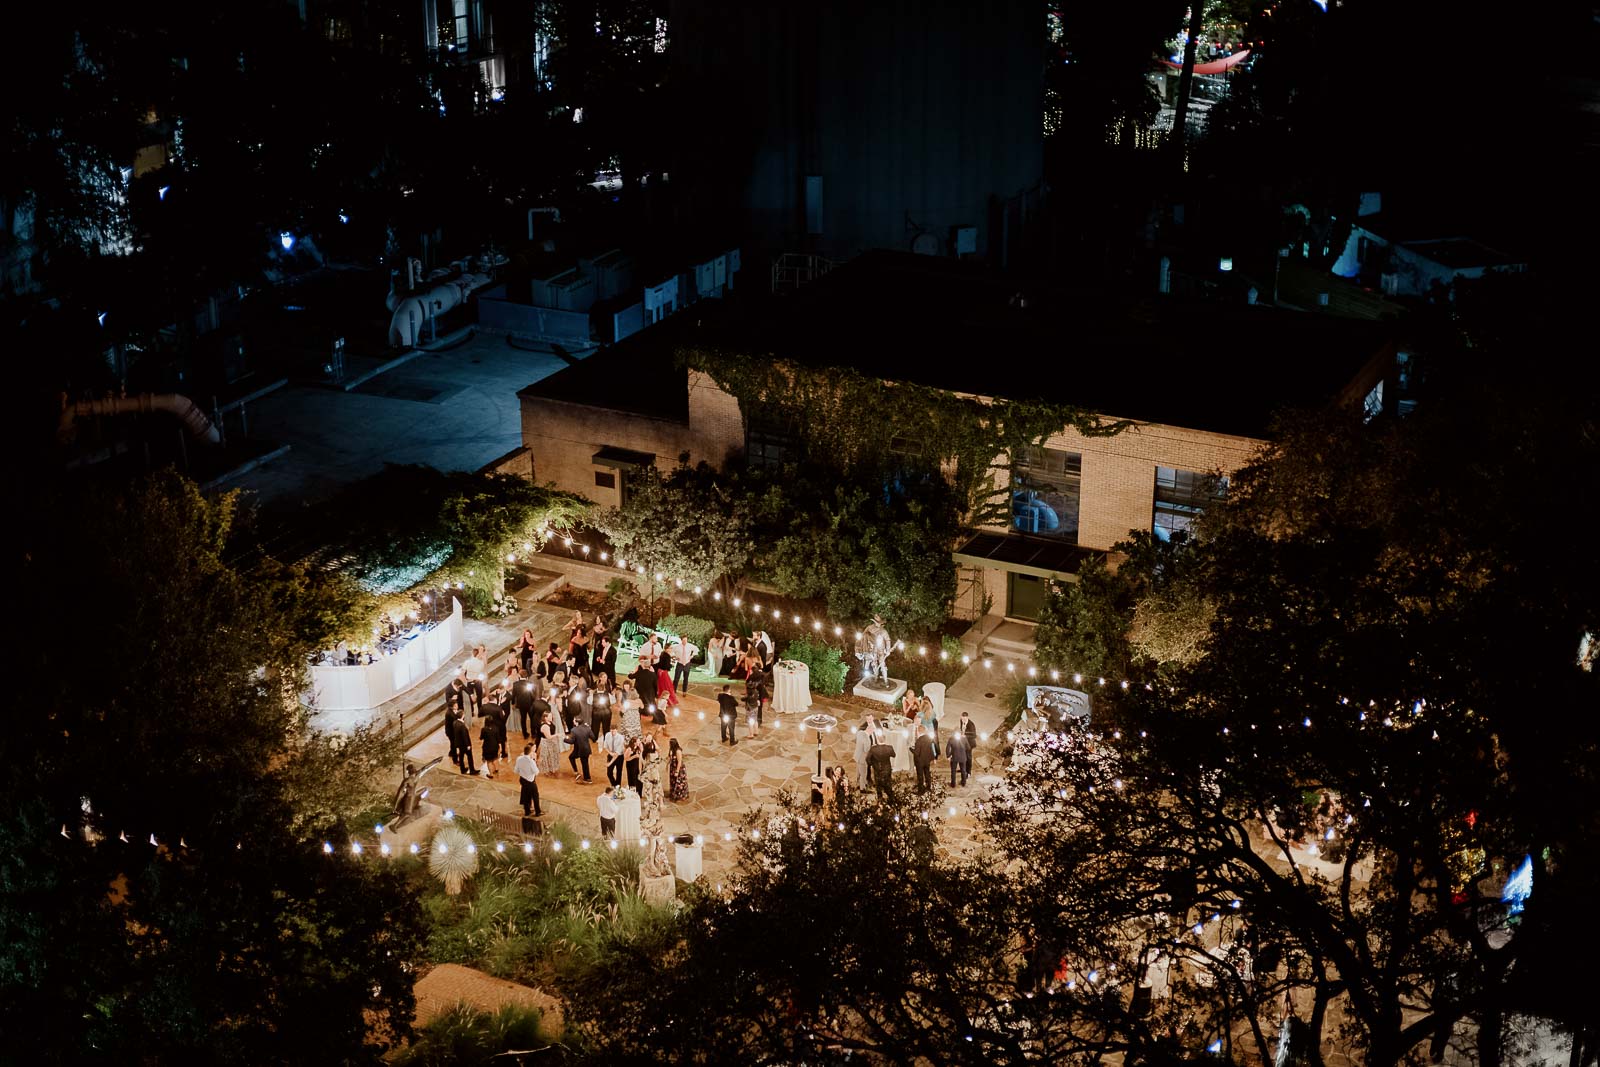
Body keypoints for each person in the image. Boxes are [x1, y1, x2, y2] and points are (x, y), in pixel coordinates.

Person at [515, 744, 543, 817]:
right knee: (535, 795)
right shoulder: (531, 761)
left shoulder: (519, 758)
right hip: (530, 781)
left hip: (522, 779)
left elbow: (516, 770)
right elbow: (536, 772)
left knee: (525, 795)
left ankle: (527, 811)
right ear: (530, 752)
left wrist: (523, 772)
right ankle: (538, 812)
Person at [512, 670, 538, 740]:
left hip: (521, 705)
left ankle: (525, 734)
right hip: (530, 704)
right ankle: (533, 734)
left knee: (523, 719)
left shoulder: (515, 684)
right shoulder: (530, 683)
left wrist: (513, 703)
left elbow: (513, 695)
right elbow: (533, 695)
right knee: (532, 719)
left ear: (519, 676)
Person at [462, 646, 488, 719]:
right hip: (476, 681)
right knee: (479, 696)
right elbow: (483, 670)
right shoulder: (480, 663)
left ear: (472, 654)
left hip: (471, 681)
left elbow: (463, 673)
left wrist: (466, 680)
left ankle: (473, 711)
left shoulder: (467, 662)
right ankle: (478, 711)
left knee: (473, 696)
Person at [853, 716, 878, 789]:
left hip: (859, 755)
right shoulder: (865, 735)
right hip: (864, 756)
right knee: (864, 771)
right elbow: (866, 748)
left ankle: (858, 784)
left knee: (859, 771)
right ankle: (863, 787)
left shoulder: (861, 733)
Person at [449, 711, 477, 776]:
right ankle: (472, 770)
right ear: (462, 716)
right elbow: (465, 736)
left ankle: (462, 769)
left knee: (461, 757)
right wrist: (468, 745)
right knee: (470, 757)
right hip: (464, 744)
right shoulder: (462, 726)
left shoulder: (455, 722)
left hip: (459, 743)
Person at [947, 716, 972, 788]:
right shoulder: (964, 738)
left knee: (953, 771)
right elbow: (968, 748)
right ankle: (963, 782)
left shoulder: (951, 738)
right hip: (963, 757)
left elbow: (947, 748)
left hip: (954, 757)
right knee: (963, 770)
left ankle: (953, 784)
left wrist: (948, 756)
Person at [481, 706, 505, 778]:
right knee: (495, 758)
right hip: (495, 746)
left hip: (487, 746)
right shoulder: (496, 728)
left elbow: (482, 737)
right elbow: (498, 738)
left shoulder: (484, 729)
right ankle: (496, 769)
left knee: (489, 761)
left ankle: (491, 774)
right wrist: (500, 746)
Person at [537, 711, 563, 778]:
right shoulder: (545, 726)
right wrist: (557, 735)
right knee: (547, 757)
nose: (551, 717)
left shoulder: (550, 723)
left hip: (551, 743)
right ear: (545, 718)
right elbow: (548, 737)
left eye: (551, 716)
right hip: (546, 743)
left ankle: (551, 769)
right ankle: (547, 771)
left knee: (552, 756)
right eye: (550, 716)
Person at [913, 725, 935, 793]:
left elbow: (917, 753)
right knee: (927, 773)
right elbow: (931, 749)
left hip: (920, 761)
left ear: (918, 731)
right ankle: (928, 787)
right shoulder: (929, 739)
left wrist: (911, 749)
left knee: (920, 775)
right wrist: (932, 758)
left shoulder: (919, 740)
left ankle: (920, 790)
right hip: (927, 760)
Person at [668, 737, 688, 801]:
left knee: (679, 782)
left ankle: (680, 795)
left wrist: (677, 771)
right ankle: (674, 793)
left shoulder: (678, 751)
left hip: (678, 768)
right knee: (673, 781)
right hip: (673, 767)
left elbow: (679, 762)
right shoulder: (671, 750)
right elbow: (670, 758)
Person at [921, 694, 940, 758]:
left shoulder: (927, 713)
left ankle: (934, 754)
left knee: (932, 740)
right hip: (932, 725)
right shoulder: (931, 711)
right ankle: (935, 754)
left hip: (931, 726)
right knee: (933, 740)